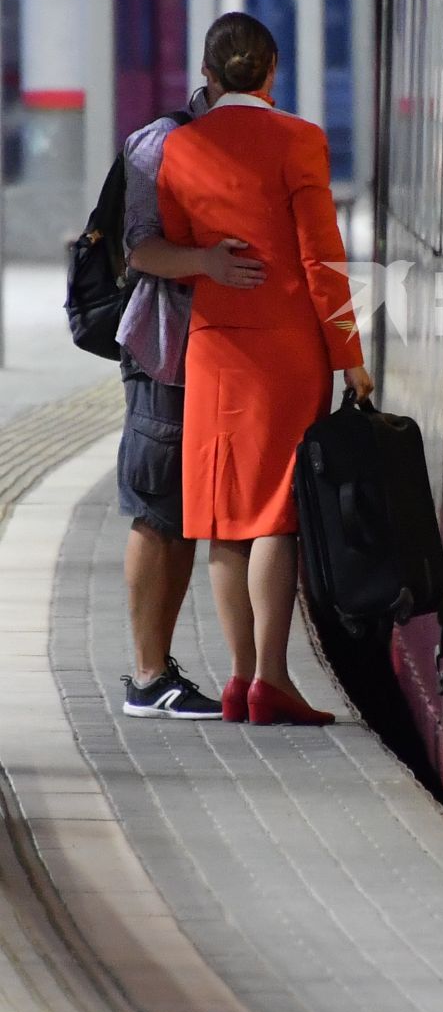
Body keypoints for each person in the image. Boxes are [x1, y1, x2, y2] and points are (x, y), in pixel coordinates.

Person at [151, 11, 372, 728]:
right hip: (286, 352)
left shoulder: (180, 147)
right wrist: (351, 359)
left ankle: (238, 677)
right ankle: (272, 679)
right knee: (277, 512)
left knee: (223, 515)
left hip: (215, 347)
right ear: (272, 70)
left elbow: (180, 248)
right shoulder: (300, 140)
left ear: (208, 75)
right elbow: (321, 262)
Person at [118, 85, 266, 718]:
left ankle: (158, 674)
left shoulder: (247, 140)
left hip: (209, 358)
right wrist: (205, 261)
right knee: (158, 509)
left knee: (179, 512)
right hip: (165, 353)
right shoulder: (162, 142)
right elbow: (140, 247)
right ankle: (149, 677)